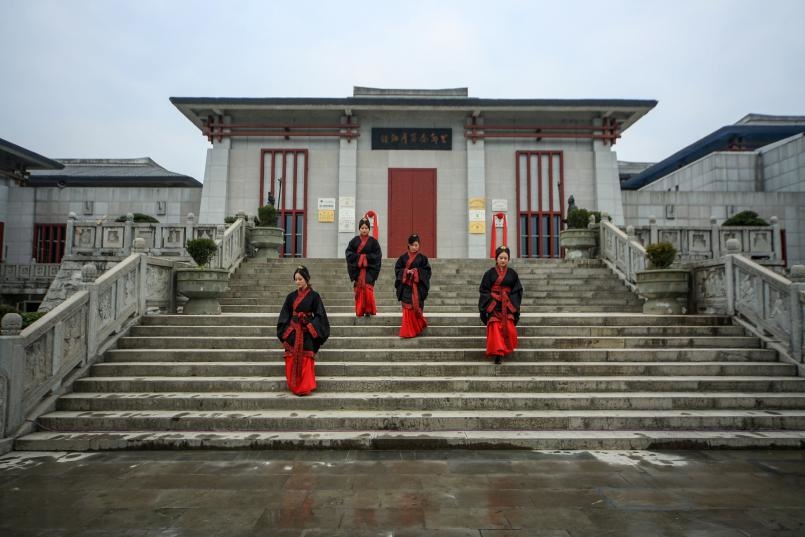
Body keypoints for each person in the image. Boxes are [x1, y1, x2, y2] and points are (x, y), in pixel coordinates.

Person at [276, 265, 330, 395]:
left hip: (307, 331)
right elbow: (284, 315)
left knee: (306, 359)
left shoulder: (315, 296)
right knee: (291, 358)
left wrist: (310, 325)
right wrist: (287, 331)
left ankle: (304, 387)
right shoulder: (290, 297)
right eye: (296, 279)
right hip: (293, 332)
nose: (298, 282)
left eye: (300, 279)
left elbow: (320, 315)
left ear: (306, 279)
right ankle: (295, 386)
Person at [478, 245, 523, 364]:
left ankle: (505, 349)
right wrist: (492, 299)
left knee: (509, 328)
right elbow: (484, 290)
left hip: (507, 305)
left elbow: (517, 290)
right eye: (501, 258)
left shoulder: (513, 274)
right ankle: (497, 353)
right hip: (494, 305)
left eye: (505, 258)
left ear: (508, 259)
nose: (503, 260)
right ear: (496, 259)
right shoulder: (489, 274)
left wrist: (509, 301)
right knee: (495, 329)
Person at [394, 233, 431, 338]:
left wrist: (416, 272)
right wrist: (406, 272)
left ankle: (416, 328)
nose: (416, 247)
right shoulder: (402, 258)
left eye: (417, 245)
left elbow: (427, 272)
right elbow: (397, 270)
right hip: (406, 287)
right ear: (409, 245)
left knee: (416, 307)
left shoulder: (423, 258)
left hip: (417, 288)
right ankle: (407, 331)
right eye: (414, 245)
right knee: (407, 309)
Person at [345, 217, 382, 317]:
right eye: (362, 228)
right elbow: (349, 254)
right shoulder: (354, 241)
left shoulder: (374, 242)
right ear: (359, 229)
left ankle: (369, 310)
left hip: (370, 270)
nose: (364, 230)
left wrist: (365, 258)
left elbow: (377, 256)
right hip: (357, 270)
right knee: (359, 290)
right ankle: (360, 310)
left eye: (366, 228)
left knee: (368, 290)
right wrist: (360, 259)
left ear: (369, 229)